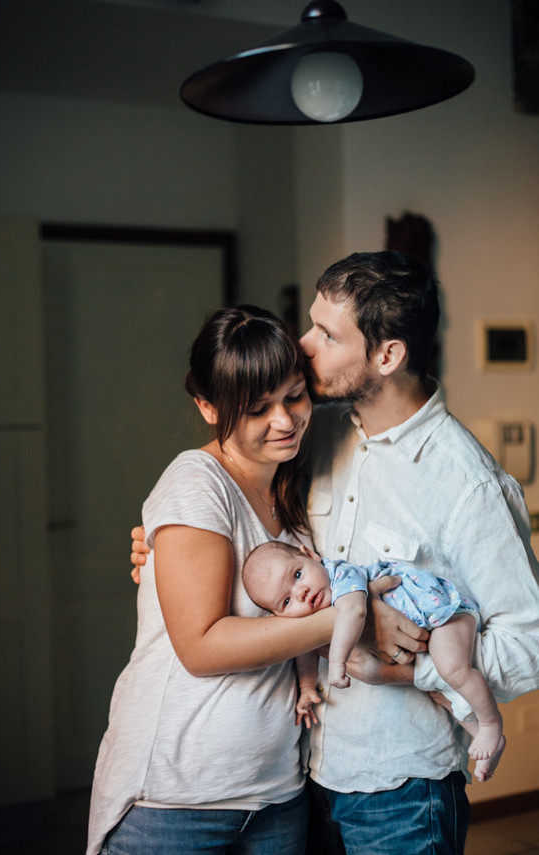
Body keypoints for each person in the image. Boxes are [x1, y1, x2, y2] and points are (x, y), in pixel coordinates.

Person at [131, 251, 539, 855]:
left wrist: (414, 669)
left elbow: (529, 643)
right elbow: (238, 514)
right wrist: (162, 546)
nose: (301, 344)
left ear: (387, 355)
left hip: (402, 790)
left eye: (326, 333)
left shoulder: (469, 484)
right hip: (303, 779)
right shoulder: (308, 433)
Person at [87, 303, 414, 855]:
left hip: (275, 795)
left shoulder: (291, 489)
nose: (284, 421)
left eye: (294, 396)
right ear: (208, 407)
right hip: (175, 800)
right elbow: (201, 647)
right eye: (257, 409)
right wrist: (349, 618)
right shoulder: (196, 482)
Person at [242, 540, 505, 784]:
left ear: (310, 555)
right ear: (278, 616)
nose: (301, 592)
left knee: (453, 670)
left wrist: (337, 663)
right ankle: (488, 740)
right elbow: (305, 647)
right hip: (426, 637)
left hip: (444, 614)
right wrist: (307, 687)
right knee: (444, 695)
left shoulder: (342, 577)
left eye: (298, 575)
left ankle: (490, 723)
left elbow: (355, 612)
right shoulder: (313, 611)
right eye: (287, 601)